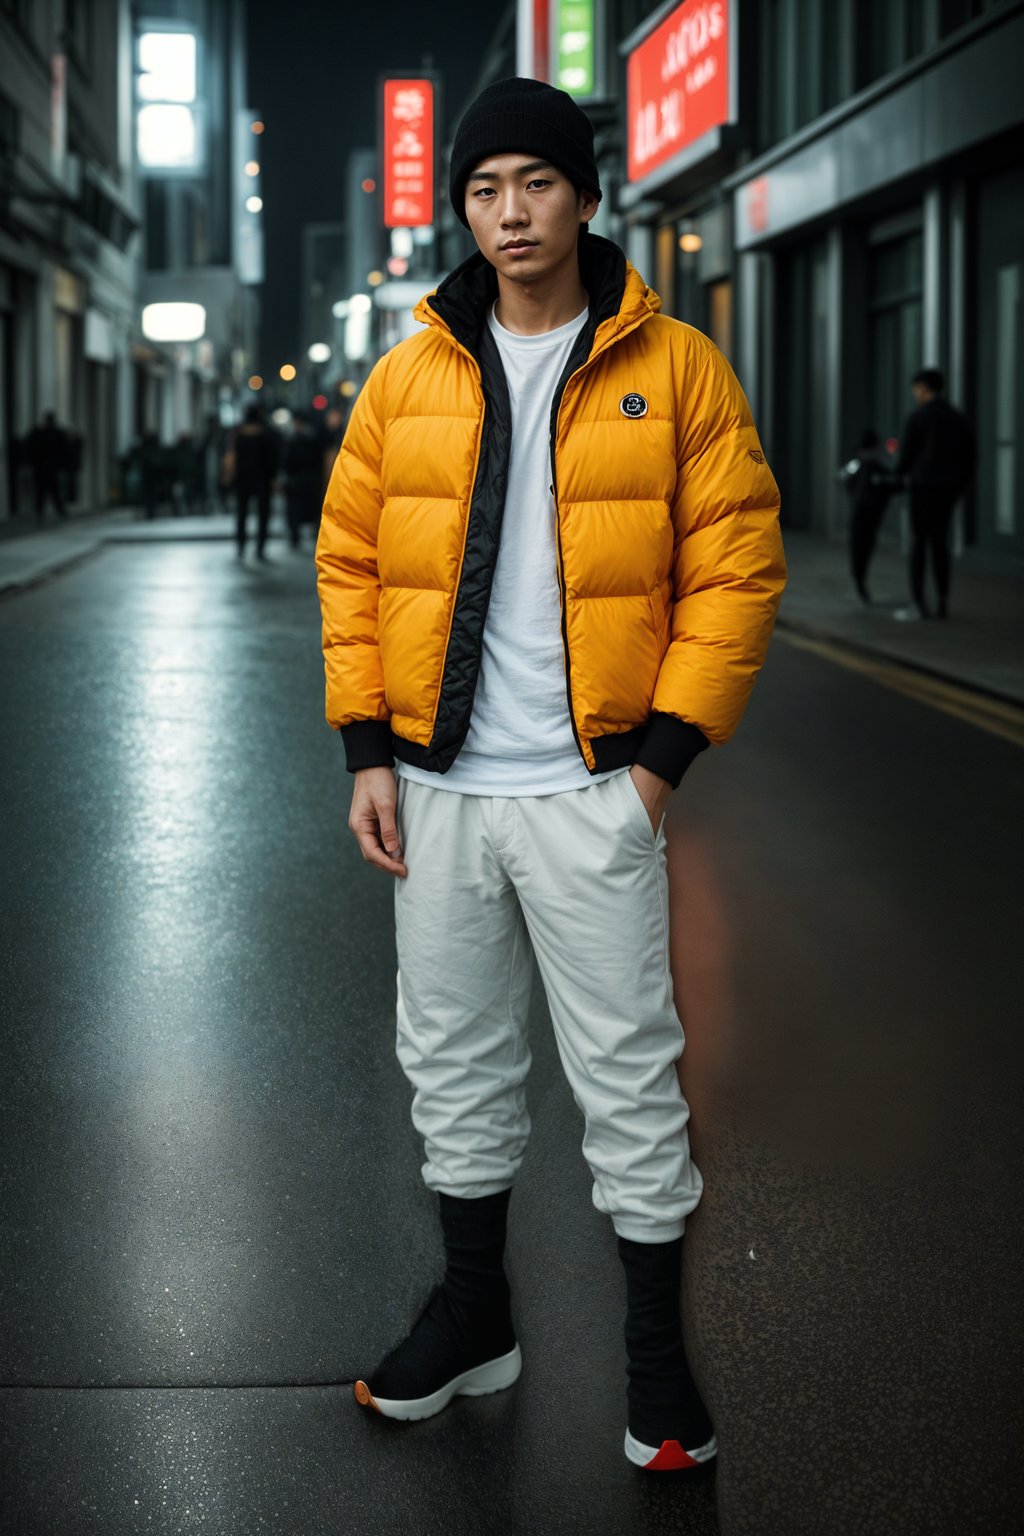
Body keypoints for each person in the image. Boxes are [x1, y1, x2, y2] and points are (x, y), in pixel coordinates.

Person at [316, 78, 785, 1473]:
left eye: (534, 182)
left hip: (594, 793)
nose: (508, 213)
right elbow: (351, 563)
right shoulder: (410, 374)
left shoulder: (677, 365)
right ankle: (475, 1317)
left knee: (628, 1074)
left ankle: (654, 1367)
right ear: (459, 206)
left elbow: (739, 564)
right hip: (443, 788)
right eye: (481, 189)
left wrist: (658, 768)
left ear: (584, 195)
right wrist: (367, 752)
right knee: (451, 1064)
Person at [894, 368, 975, 620]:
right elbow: (969, 457)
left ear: (923, 388)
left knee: (919, 543)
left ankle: (918, 604)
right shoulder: (957, 418)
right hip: (947, 490)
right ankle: (942, 602)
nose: (915, 392)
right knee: (941, 544)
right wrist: (959, 488)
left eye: (916, 388)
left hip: (922, 487)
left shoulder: (918, 417)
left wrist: (896, 476)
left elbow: (905, 457)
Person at [837, 429, 897, 604]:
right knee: (860, 547)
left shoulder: (871, 467)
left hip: (867, 515)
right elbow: (844, 478)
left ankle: (860, 577)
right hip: (863, 514)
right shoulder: (859, 465)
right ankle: (859, 577)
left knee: (863, 547)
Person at [232, 404, 278, 559]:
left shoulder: (238, 433)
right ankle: (260, 547)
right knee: (263, 514)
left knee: (241, 513)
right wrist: (273, 477)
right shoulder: (267, 433)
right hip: (262, 479)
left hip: (242, 477)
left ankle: (241, 545)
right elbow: (273, 458)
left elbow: (232, 455)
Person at [282, 411, 323, 548]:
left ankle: (295, 537)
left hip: (296, 481)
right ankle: (314, 534)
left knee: (294, 510)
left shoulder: (292, 440)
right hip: (311, 479)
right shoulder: (313, 439)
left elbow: (286, 462)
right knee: (312, 509)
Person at [24, 412, 69, 523]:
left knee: (41, 492)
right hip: (51, 468)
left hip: (41, 468)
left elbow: (29, 448)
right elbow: (64, 451)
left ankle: (40, 513)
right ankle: (59, 512)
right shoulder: (57, 434)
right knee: (54, 492)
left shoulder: (39, 433)